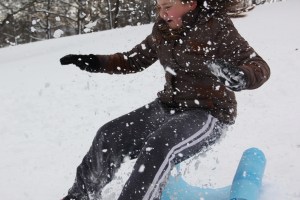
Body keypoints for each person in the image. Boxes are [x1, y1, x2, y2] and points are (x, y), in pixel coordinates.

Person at [59, 0, 270, 199]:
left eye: (168, 6)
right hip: (169, 106)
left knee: (159, 145)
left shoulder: (216, 26)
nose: (163, 13)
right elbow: (133, 60)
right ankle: (80, 196)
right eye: (159, 7)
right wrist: (95, 62)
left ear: (191, 3)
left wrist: (241, 76)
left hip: (209, 112)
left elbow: (258, 65)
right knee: (110, 134)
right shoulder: (162, 29)